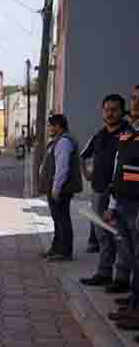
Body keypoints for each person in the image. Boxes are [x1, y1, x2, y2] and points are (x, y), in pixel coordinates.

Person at [78, 95, 130, 287]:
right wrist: (87, 174)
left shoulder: (129, 134)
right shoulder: (98, 135)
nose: (110, 113)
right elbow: (82, 156)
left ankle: (122, 278)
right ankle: (104, 273)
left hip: (120, 194)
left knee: (120, 236)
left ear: (122, 111)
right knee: (102, 235)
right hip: (99, 192)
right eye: (107, 110)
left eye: (114, 109)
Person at [105, 85, 139, 339]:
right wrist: (113, 204)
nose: (135, 103)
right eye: (134, 99)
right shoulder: (130, 132)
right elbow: (120, 167)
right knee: (133, 258)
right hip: (124, 202)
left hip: (136, 204)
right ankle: (134, 305)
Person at [39, 114, 83, 262]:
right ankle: (56, 249)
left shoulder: (64, 142)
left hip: (61, 189)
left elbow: (62, 167)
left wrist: (56, 188)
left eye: (50, 126)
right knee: (58, 220)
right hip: (56, 187)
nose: (48, 128)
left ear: (58, 126)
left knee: (62, 220)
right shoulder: (57, 141)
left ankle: (64, 252)